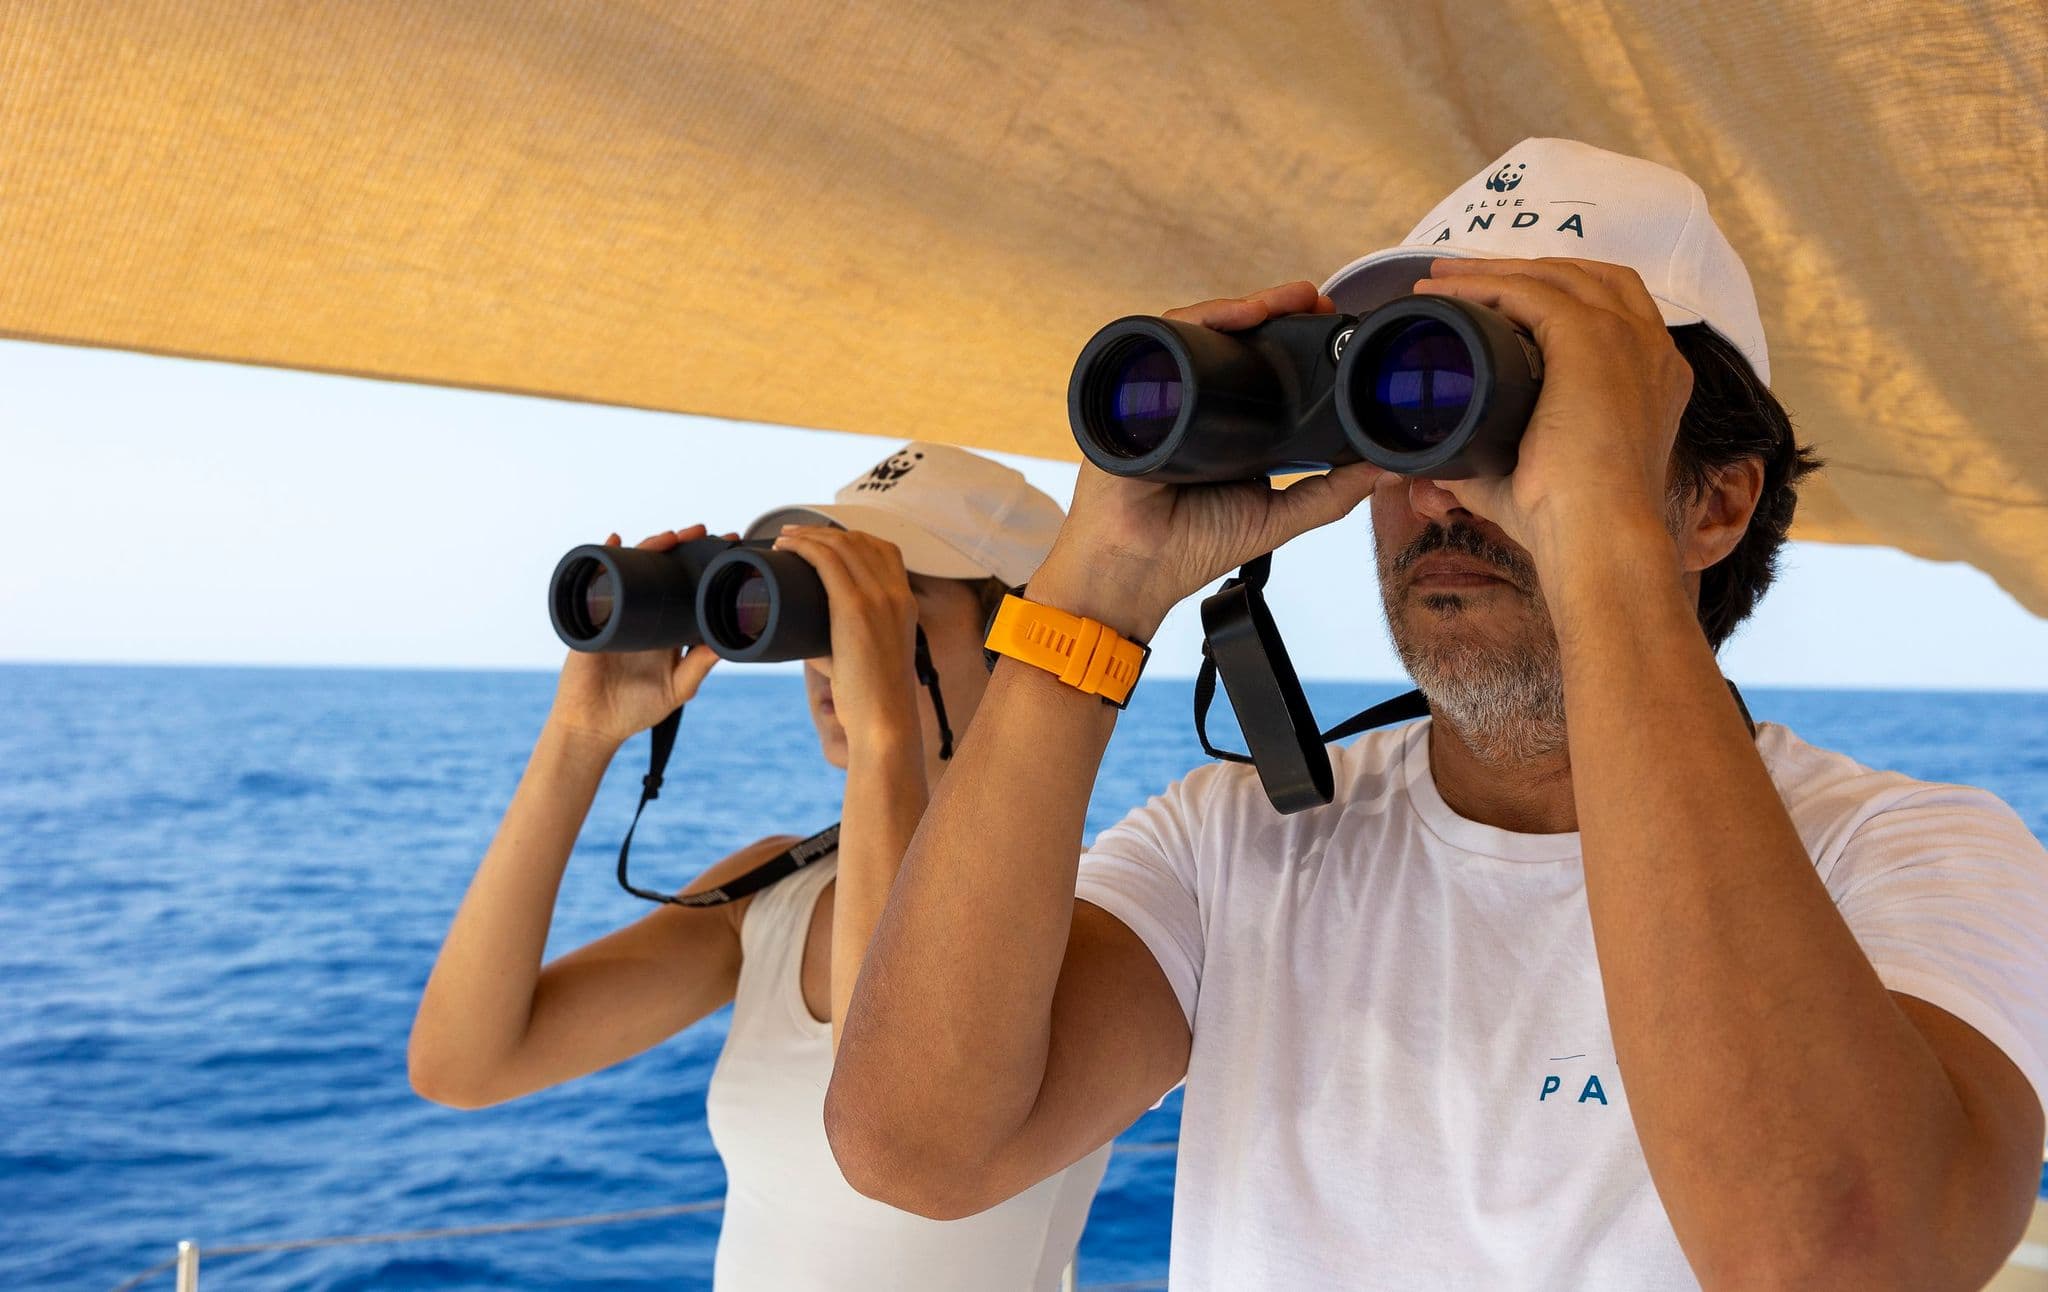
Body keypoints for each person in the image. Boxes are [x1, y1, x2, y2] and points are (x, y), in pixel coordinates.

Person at [824, 139, 2048, 1290]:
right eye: (1406, 403)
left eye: (1514, 414)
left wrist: (1598, 541)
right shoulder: (1234, 841)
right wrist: (1096, 590)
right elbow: (917, 1146)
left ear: (1715, 503)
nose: (1435, 488)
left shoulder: (1910, 854)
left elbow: (1834, 1255)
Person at [408, 443, 1109, 1291]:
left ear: (1014, 643)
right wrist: (578, 737)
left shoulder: (1089, 906)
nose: (833, 651)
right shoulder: (774, 890)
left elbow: (892, 1093)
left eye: (883, 608)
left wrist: (882, 731)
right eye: (825, 607)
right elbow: (463, 1065)